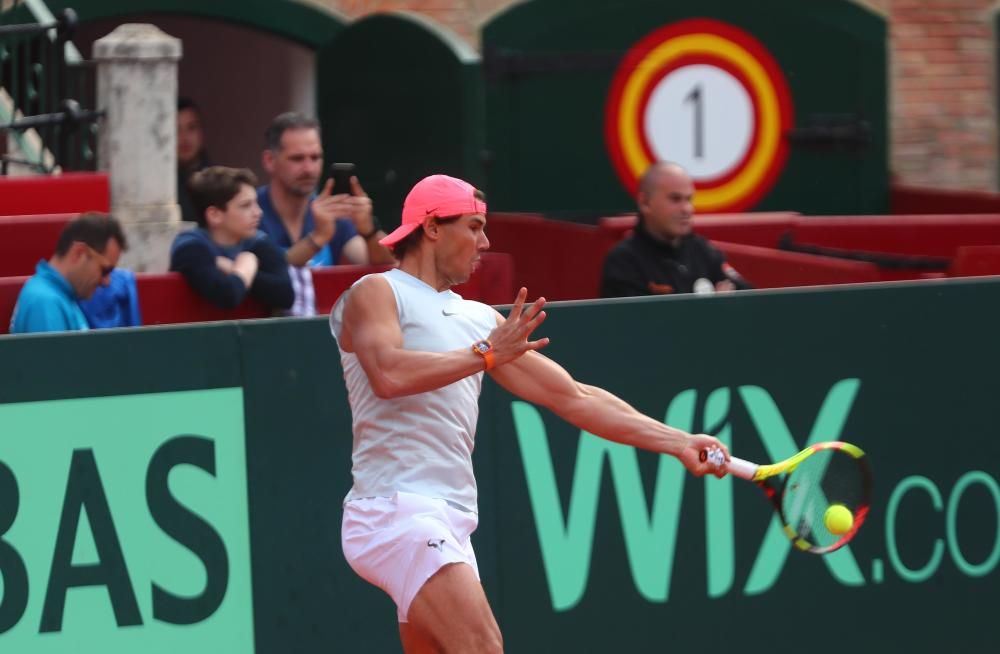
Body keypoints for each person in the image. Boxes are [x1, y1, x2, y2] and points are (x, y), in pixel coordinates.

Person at [329, 174, 730, 653]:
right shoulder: (377, 291)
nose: (485, 241)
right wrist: (484, 355)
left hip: (450, 517)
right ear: (433, 227)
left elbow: (575, 397)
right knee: (484, 647)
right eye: (474, 227)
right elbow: (388, 375)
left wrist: (678, 441)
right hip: (395, 513)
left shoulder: (479, 319)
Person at [600, 161, 752, 297]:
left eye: (689, 199)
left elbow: (750, 299)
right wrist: (713, 312)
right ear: (645, 202)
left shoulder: (703, 251)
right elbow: (639, 324)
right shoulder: (625, 262)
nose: (686, 209)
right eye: (675, 199)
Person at [170, 166, 294, 312]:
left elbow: (286, 295)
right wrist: (245, 267)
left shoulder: (259, 243)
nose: (258, 212)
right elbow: (226, 296)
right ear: (214, 215)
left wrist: (231, 267)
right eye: (246, 205)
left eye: (256, 203)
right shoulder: (189, 247)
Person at [10, 212, 126, 334]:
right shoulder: (46, 303)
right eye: (105, 270)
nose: (107, 282)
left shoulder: (58, 295)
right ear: (79, 253)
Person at [177, 97, 211, 224]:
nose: (184, 138)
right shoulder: (161, 185)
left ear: (201, 132)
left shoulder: (218, 181)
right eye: (177, 130)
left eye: (191, 128)